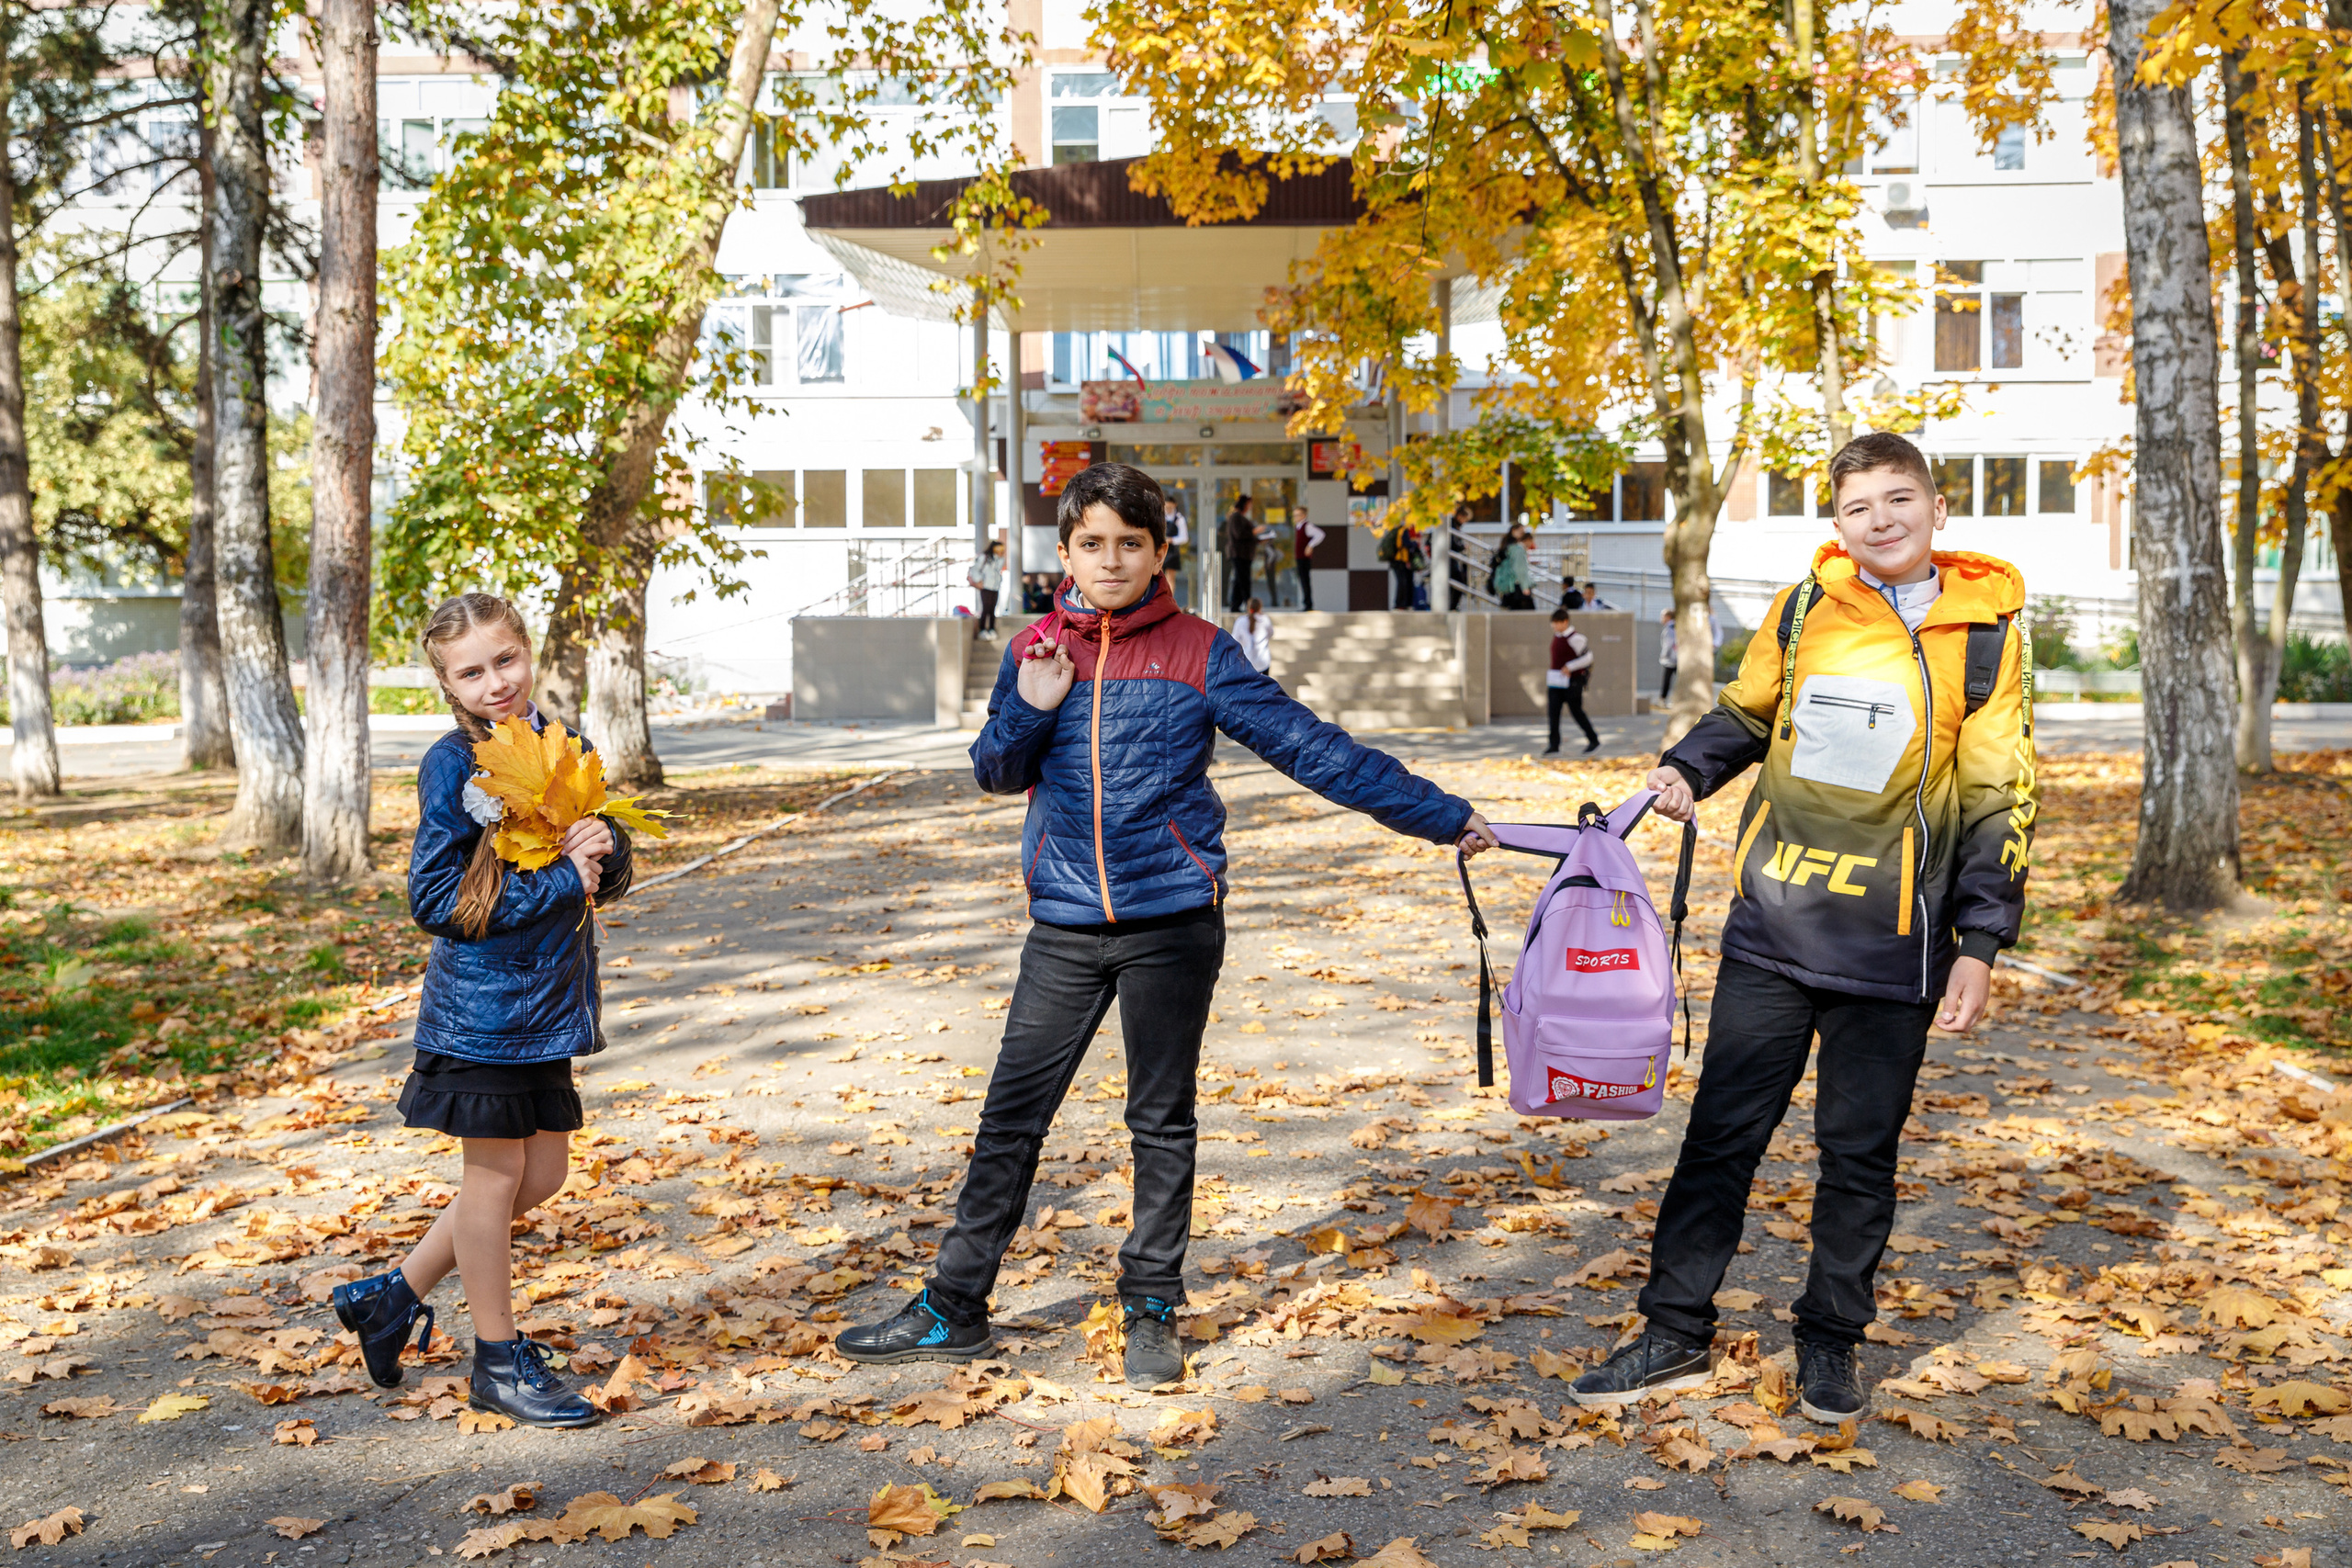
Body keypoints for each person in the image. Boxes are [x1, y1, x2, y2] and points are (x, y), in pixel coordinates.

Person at [835, 462, 1500, 1387]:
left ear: (1158, 552)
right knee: (1010, 1117)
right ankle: (954, 1305)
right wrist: (1031, 708)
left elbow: (1312, 748)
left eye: (1130, 545)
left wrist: (1438, 814)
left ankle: (1151, 1300)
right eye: (1093, 545)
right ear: (1064, 552)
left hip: (1172, 921)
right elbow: (992, 770)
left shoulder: (1200, 650)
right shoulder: (1035, 647)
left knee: (1159, 1119)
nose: (1111, 562)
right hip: (1065, 923)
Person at [1571, 431, 2036, 1425]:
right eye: (1860, 505)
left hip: (1895, 945)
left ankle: (1830, 1345)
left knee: (1858, 1155)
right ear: (1837, 523)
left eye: (1899, 498)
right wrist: (1686, 769)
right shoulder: (1801, 609)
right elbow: (1744, 715)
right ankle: (1671, 1334)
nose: (1882, 519)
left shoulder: (1986, 636)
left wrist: (1982, 945)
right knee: (1719, 1138)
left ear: (1937, 509)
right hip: (1774, 930)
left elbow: (2001, 792)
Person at [331, 592, 633, 1429]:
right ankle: (497, 1361)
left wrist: (607, 855)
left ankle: (391, 1297)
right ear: (447, 681)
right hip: (484, 1009)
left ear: (527, 652)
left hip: (549, 1003)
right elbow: (433, 896)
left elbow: (600, 851)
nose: (494, 681)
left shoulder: (564, 743)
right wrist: (558, 882)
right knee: (495, 1179)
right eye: (472, 671)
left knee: (543, 1175)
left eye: (505, 660)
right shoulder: (451, 764)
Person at [1544, 606, 1599, 755]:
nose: (1554, 626)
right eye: (1553, 623)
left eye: (1557, 623)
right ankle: (1553, 744)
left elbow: (1588, 658)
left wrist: (1570, 666)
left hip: (1573, 683)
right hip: (1556, 683)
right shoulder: (1557, 637)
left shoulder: (1576, 638)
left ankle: (1593, 739)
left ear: (1565, 622)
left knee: (1577, 712)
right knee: (1553, 713)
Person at [1224, 494, 1261, 613]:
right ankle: (1250, 606)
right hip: (1239, 554)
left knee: (1239, 581)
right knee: (1244, 580)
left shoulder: (1240, 517)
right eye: (1249, 504)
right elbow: (1239, 534)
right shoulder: (1236, 517)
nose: (1250, 507)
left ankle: (1236, 605)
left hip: (1244, 554)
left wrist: (1258, 539)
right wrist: (1254, 532)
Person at [968, 540, 1005, 638]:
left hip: (995, 587)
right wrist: (979, 580)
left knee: (993, 609)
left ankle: (992, 629)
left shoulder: (1000, 559)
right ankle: (983, 629)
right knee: (986, 608)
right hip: (985, 587)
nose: (1001, 551)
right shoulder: (984, 557)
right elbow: (975, 569)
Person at [1493, 523, 1535, 610]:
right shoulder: (1517, 549)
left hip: (1510, 584)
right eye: (1521, 532)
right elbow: (1520, 569)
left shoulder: (1509, 547)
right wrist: (1525, 586)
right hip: (1515, 584)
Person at [1293, 505, 1324, 612]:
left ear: (1304, 515)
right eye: (1294, 515)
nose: (1295, 517)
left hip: (1304, 558)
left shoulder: (1307, 526)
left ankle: (1308, 604)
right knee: (1302, 580)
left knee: (1305, 580)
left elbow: (1320, 534)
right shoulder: (1298, 526)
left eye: (1298, 515)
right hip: (1299, 557)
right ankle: (1306, 603)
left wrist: (1310, 545)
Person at [1235, 596, 1272, 672]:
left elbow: (1235, 639)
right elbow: (1270, 634)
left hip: (1246, 659)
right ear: (1260, 607)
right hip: (1263, 661)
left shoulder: (1241, 621)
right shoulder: (1265, 619)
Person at [1164, 498, 1191, 604]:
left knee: (1170, 576)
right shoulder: (1160, 517)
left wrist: (1171, 540)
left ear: (1175, 505)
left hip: (1172, 550)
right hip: (1161, 547)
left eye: (1170, 507)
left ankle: (1169, 600)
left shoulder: (1179, 519)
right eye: (1166, 507)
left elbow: (1184, 537)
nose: (1168, 509)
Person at [1657, 605, 1678, 703]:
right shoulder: (1676, 626)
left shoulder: (1670, 628)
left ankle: (1663, 699)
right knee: (1677, 680)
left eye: (1663, 616)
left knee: (1667, 680)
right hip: (1678, 658)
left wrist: (1663, 656)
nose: (1661, 618)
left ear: (1668, 617)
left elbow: (1668, 644)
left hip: (1671, 659)